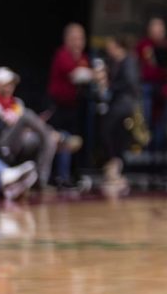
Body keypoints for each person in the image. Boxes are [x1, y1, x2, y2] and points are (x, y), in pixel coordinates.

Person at [0, 67, 80, 189]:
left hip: (21, 141)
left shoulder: (17, 102)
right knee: (27, 116)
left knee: (47, 139)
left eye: (12, 85)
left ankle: (42, 181)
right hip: (1, 143)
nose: (10, 88)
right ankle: (58, 137)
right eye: (7, 84)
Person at [94, 37, 142, 195]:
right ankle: (114, 166)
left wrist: (110, 86)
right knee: (110, 133)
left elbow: (129, 83)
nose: (108, 49)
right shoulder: (114, 62)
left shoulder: (129, 60)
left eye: (110, 46)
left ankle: (116, 165)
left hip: (125, 105)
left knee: (111, 131)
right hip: (117, 104)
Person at [48, 23, 93, 138]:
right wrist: (95, 74)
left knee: (75, 140)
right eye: (74, 39)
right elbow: (76, 76)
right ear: (67, 39)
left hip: (75, 107)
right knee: (60, 139)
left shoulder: (83, 57)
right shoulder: (62, 55)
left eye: (81, 39)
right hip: (59, 106)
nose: (78, 43)